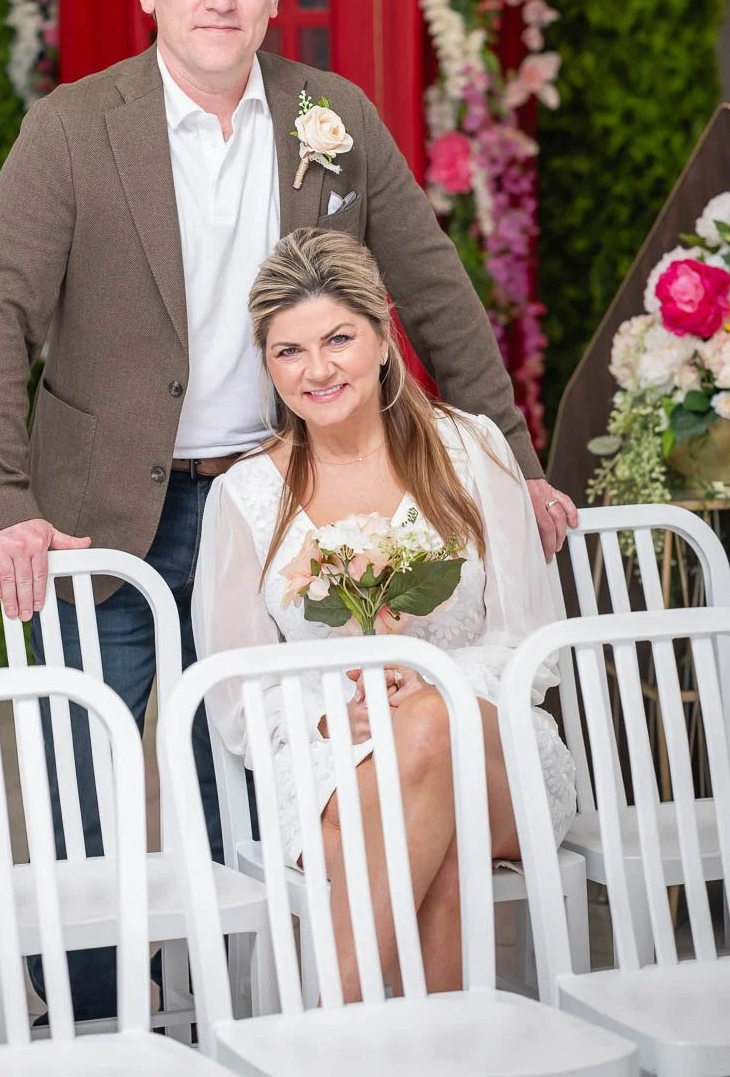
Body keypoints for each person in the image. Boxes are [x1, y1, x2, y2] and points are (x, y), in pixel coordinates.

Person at [0, 0, 576, 1018]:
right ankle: (94, 1014)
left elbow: (431, 291)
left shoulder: (329, 113)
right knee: (81, 765)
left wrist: (517, 460)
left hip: (266, 505)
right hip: (98, 510)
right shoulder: (70, 130)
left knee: (232, 771)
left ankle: (238, 1007)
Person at [193, 226, 577, 999]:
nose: (318, 369)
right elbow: (235, 692)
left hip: (497, 745)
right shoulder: (246, 495)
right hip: (332, 761)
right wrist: (335, 716)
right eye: (288, 351)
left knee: (434, 719)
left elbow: (533, 642)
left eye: (338, 339)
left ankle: (320, 1033)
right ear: (267, 366)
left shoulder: (468, 450)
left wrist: (425, 687)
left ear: (380, 337)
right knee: (437, 850)